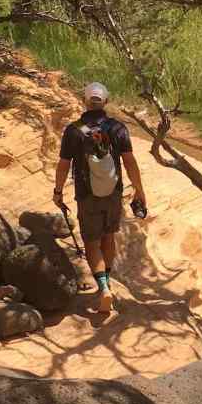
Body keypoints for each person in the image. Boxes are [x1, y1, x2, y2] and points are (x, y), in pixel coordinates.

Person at [53, 81, 147, 313]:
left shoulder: (73, 130)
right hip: (113, 193)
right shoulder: (118, 128)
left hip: (87, 195)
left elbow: (64, 165)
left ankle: (104, 288)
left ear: (85, 102)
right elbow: (130, 161)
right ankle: (108, 280)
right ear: (105, 102)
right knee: (108, 237)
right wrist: (139, 190)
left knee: (91, 242)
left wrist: (58, 191)